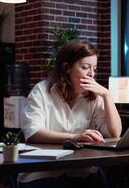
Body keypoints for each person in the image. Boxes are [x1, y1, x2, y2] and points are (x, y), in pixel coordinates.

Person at [19, 39, 122, 188]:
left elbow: (115, 133)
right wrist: (75, 138)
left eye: (94, 68)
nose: (91, 74)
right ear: (67, 67)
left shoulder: (94, 97)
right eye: (85, 67)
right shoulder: (41, 91)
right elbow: (33, 133)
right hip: (43, 171)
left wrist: (107, 95)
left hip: (82, 170)